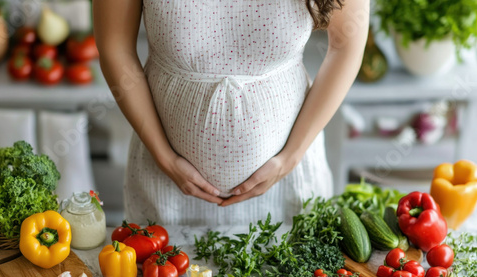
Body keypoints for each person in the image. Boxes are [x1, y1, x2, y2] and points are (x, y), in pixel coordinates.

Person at [93, 0, 369, 226]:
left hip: (289, 179)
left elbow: (347, 45)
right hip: (165, 182)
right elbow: (115, 47)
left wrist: (290, 158)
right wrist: (164, 158)